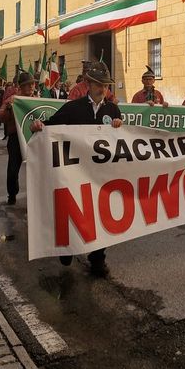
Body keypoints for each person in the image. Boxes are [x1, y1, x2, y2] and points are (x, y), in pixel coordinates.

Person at [30, 61, 123, 276]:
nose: (103, 89)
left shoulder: (112, 109)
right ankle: (68, 247)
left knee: (100, 216)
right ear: (88, 84)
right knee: (74, 213)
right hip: (74, 174)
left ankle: (98, 259)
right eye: (99, 84)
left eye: (106, 85)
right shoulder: (73, 108)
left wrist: (119, 125)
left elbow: (120, 141)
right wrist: (37, 126)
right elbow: (50, 126)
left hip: (101, 175)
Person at [0, 72, 35, 205]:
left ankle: (35, 198)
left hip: (33, 138)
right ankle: (12, 193)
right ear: (21, 86)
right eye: (28, 84)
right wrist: (9, 108)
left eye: (32, 84)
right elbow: (1, 117)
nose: (31, 86)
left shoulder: (37, 99)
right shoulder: (13, 99)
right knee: (13, 169)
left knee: (36, 169)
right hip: (16, 138)